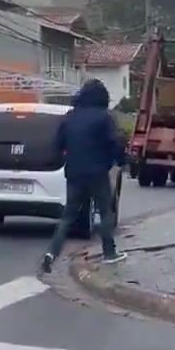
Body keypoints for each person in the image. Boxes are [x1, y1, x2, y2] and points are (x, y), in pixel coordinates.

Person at [40, 78, 127, 274]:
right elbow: (114, 143)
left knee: (68, 217)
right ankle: (109, 253)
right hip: (97, 173)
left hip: (74, 174)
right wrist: (121, 160)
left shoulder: (70, 117)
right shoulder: (104, 117)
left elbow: (58, 145)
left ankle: (51, 254)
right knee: (105, 212)